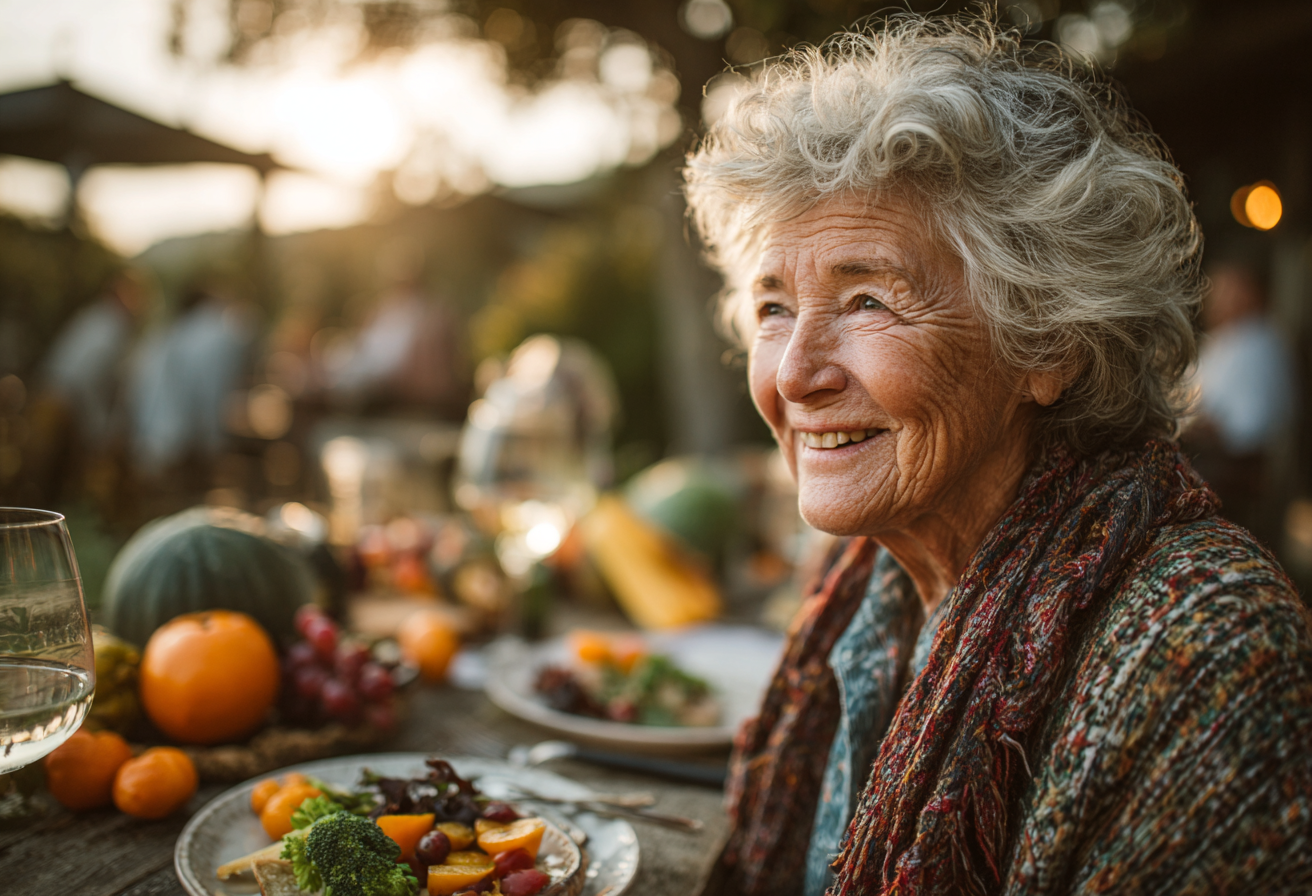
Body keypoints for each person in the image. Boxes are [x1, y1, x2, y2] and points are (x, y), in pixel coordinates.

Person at [684, 14, 1312, 896]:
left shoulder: (1206, 651)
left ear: (1049, 343)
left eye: (867, 299)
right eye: (775, 307)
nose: (795, 374)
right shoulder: (862, 581)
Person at [1185, 261, 1295, 542]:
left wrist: (1199, 425)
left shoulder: (1258, 342)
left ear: (1253, 293)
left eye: (1230, 291)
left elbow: (1247, 432)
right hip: (1214, 459)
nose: (1219, 300)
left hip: (1235, 471)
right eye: (1217, 291)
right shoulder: (1224, 341)